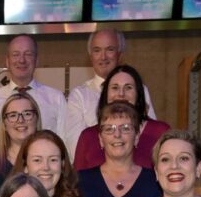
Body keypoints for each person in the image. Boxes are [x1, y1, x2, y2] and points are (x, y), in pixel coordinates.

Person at [65, 29, 156, 159]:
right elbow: (77, 148)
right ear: (90, 56)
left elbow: (151, 138)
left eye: (110, 49)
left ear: (120, 54)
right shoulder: (79, 96)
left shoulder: (140, 89)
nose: (103, 57)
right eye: (97, 50)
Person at [0, 35, 66, 152]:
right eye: (16, 54)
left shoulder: (56, 98)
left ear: (37, 60)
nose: (22, 60)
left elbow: (64, 143)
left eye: (28, 54)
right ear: (7, 61)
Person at [73, 65, 169, 170]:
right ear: (106, 94)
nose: (121, 94)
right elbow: (76, 182)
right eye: (115, 87)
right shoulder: (88, 136)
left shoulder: (161, 132)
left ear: (138, 94)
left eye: (128, 87)